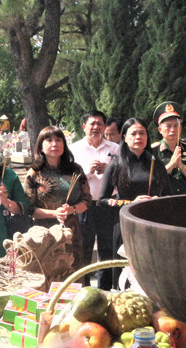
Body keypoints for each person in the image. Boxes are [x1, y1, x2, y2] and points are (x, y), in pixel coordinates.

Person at [99, 118, 172, 274]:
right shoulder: (117, 163)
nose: (138, 137)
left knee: (152, 269)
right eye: (133, 133)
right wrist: (131, 203)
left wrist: (157, 201)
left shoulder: (155, 162)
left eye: (142, 133)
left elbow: (168, 196)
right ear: (124, 137)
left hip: (152, 221)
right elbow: (102, 200)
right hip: (126, 223)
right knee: (126, 272)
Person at [24, 127, 92, 270]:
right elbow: (29, 208)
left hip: (71, 229)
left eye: (58, 140)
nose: (54, 144)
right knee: (48, 271)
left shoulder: (75, 170)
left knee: (73, 270)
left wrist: (72, 209)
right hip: (44, 232)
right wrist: (55, 213)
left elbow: (87, 200)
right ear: (41, 146)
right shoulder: (34, 173)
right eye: (49, 140)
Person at [69, 110, 119, 289]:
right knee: (83, 248)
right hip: (84, 206)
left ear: (105, 127)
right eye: (92, 123)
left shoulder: (115, 149)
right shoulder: (74, 149)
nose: (96, 127)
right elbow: (71, 179)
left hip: (107, 206)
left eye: (100, 124)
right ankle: (83, 289)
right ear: (84, 127)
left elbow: (123, 177)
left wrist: (109, 170)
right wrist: (88, 172)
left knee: (107, 249)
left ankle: (105, 290)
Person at [151, 102, 186, 195]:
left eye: (176, 126)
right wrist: (171, 165)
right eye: (168, 126)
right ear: (160, 130)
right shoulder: (153, 151)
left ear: (180, 128)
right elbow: (151, 180)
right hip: (163, 201)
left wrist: (182, 167)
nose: (172, 130)